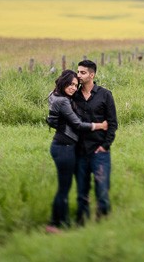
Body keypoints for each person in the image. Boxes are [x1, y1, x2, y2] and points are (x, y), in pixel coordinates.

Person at [45, 69, 109, 233]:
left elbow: (53, 118)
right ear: (63, 82)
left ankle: (61, 222)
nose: (74, 88)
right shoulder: (64, 102)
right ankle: (55, 223)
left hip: (62, 147)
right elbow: (78, 125)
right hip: (64, 148)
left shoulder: (56, 96)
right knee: (64, 188)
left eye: (76, 85)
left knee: (64, 187)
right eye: (71, 84)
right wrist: (99, 125)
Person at [73, 59, 118, 223]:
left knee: (102, 190)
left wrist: (105, 146)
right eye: (78, 72)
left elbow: (112, 123)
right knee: (81, 191)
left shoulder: (105, 95)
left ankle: (103, 221)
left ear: (92, 75)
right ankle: (81, 223)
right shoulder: (73, 95)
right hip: (79, 151)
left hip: (99, 151)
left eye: (82, 72)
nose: (78, 75)